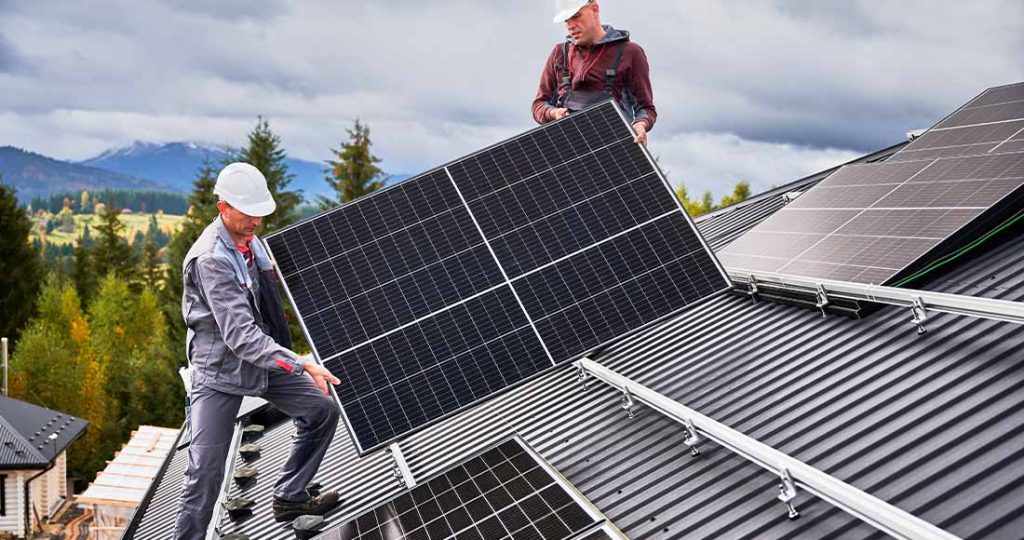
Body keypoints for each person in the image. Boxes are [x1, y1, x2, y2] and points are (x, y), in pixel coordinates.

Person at [174, 163, 343, 538]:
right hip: (220, 373)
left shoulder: (254, 245)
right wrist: (301, 363)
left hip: (263, 363)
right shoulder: (211, 259)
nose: (255, 221)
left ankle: (289, 496)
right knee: (205, 471)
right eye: (247, 213)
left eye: (260, 214)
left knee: (320, 411)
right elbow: (241, 338)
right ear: (223, 207)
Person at [532, 0, 657, 145]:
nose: (570, 26)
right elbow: (539, 105)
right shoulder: (560, 53)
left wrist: (640, 125)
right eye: (566, 20)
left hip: (616, 155)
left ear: (594, 9)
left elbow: (646, 108)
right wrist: (553, 113)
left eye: (576, 16)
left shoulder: (630, 52)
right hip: (566, 155)